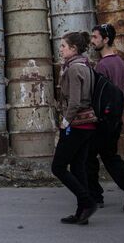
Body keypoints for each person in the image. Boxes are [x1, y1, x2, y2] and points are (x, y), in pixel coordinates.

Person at [87, 23, 124, 212]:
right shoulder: (119, 62)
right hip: (115, 118)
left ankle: (95, 197)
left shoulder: (103, 65)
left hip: (104, 119)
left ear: (106, 40)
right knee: (109, 156)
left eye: (95, 37)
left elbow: (98, 96)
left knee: (88, 156)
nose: (92, 41)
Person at [52, 31, 98, 225]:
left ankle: (87, 202)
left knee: (58, 167)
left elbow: (75, 101)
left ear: (73, 48)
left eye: (63, 46)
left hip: (77, 124)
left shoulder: (73, 69)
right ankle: (82, 212)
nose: (60, 49)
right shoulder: (85, 65)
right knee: (78, 166)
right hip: (88, 124)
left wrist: (65, 122)